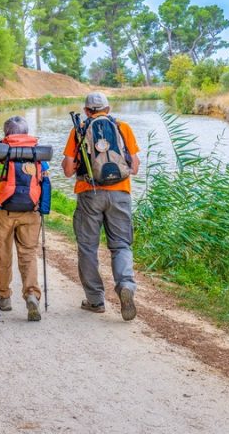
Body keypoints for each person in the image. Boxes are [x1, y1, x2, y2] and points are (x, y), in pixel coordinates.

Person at [62, 92, 140, 320]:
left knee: (88, 248)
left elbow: (67, 170)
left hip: (90, 193)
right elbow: (134, 167)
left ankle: (96, 301)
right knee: (121, 246)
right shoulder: (123, 127)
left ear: (87, 111)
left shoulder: (79, 129)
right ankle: (125, 285)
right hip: (121, 193)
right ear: (108, 108)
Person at [0, 115, 50, 322]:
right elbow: (44, 182)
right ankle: (31, 295)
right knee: (28, 254)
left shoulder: (1, 152)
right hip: (31, 211)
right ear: (26, 133)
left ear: (6, 133)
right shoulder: (36, 152)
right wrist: (42, 208)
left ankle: (3, 298)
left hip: (3, 211)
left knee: (3, 254)